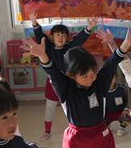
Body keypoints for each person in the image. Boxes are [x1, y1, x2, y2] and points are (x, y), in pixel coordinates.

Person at [31, 13, 97, 141]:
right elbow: (40, 36)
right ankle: (47, 131)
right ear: (52, 36)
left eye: (64, 35)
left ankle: (75, 127)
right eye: (58, 35)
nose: (61, 37)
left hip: (68, 82)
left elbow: (79, 39)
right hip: (53, 82)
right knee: (50, 107)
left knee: (72, 107)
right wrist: (34, 22)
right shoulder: (48, 47)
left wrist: (89, 28)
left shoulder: (69, 47)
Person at [103, 72, 131, 137]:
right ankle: (107, 124)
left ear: (116, 77)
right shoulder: (101, 91)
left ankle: (122, 127)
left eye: (112, 77)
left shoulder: (122, 89)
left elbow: (128, 101)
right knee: (98, 119)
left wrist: (126, 109)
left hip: (120, 112)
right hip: (107, 114)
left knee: (129, 117)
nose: (110, 79)